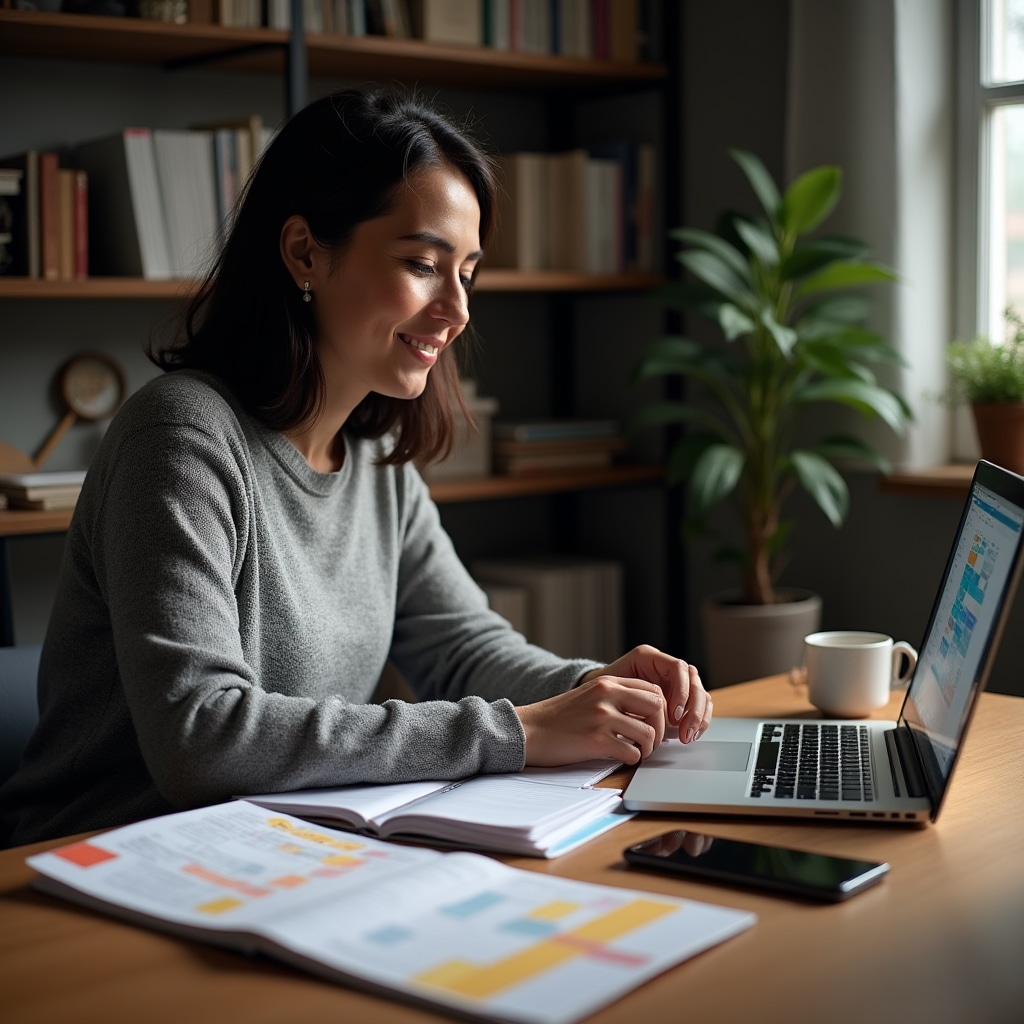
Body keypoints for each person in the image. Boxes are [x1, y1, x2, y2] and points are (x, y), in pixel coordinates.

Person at [0, 88, 711, 848]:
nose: (458, 307)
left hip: (274, 849)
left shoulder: (375, 457)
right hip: (103, 861)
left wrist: (599, 689)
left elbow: (462, 647)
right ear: (305, 251)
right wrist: (519, 731)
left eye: (466, 272)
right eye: (421, 263)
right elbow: (201, 739)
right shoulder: (180, 438)